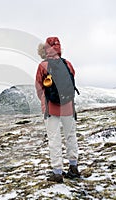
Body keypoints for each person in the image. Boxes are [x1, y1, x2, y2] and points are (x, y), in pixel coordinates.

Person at [35, 37, 80, 183]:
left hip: (51, 108)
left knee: (54, 139)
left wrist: (45, 104)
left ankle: (57, 173)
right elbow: (72, 82)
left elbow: (39, 88)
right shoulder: (67, 64)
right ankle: (73, 168)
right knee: (70, 136)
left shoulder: (43, 66)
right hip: (68, 107)